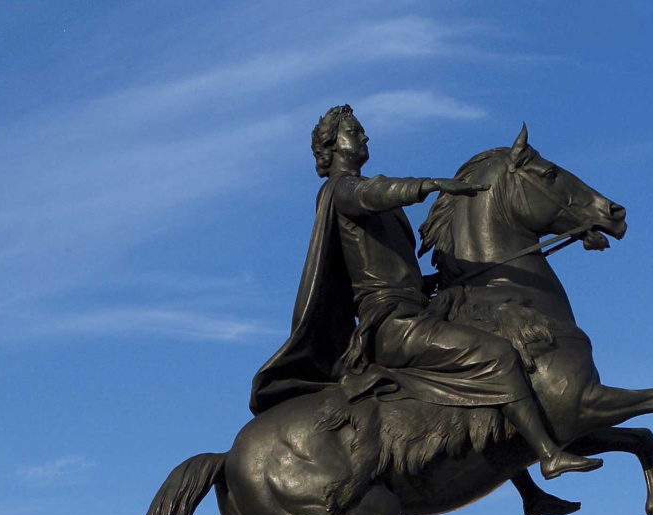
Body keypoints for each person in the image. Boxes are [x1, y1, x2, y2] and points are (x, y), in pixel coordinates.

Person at [250, 105, 601, 480]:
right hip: (392, 325)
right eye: (355, 131)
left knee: (482, 357)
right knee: (497, 355)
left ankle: (526, 490)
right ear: (333, 146)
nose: (365, 136)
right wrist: (428, 185)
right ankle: (548, 454)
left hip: (412, 311)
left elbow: (393, 269)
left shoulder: (372, 202)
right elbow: (373, 193)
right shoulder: (340, 190)